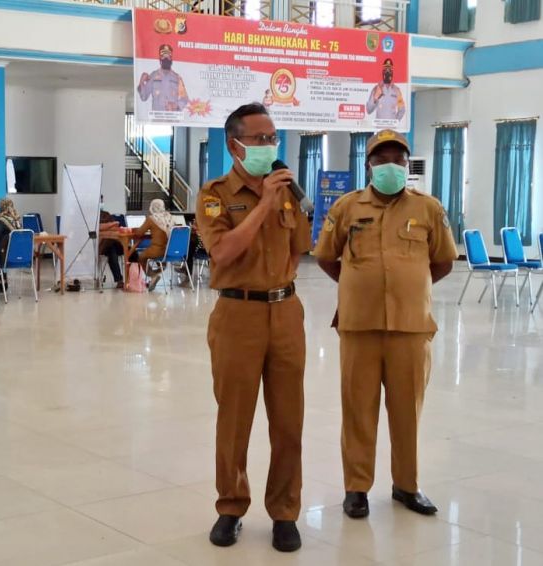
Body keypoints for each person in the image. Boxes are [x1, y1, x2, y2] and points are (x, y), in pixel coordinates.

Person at [314, 129, 457, 519]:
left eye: (398, 160)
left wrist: (411, 286)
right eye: (382, 159)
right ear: (368, 165)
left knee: (407, 410)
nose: (390, 166)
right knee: (357, 409)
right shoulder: (346, 207)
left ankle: (406, 485)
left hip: (411, 327)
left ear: (407, 166)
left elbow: (443, 260)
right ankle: (356, 488)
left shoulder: (428, 208)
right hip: (359, 326)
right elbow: (327, 257)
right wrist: (358, 284)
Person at [195, 103, 312, 553]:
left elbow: (300, 248)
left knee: (288, 422)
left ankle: (285, 512)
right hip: (237, 314)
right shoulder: (215, 193)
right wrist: (264, 203)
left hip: (284, 312)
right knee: (235, 418)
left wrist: (285, 202)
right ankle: (230, 506)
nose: (269, 146)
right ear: (234, 144)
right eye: (259, 138)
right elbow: (222, 252)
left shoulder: (287, 190)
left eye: (272, 137)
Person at [132, 199, 172, 292]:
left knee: (141, 257)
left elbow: (139, 233)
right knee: (158, 258)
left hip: (157, 250)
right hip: (169, 250)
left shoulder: (151, 219)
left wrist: (133, 229)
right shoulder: (169, 216)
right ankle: (159, 270)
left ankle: (153, 276)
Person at [138, 44, 190, 113]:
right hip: (157, 120)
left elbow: (185, 98)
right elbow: (143, 97)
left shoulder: (177, 78)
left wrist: (175, 105)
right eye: (163, 55)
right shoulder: (153, 76)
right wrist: (141, 82)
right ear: (160, 58)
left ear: (171, 58)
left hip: (173, 118)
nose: (166, 58)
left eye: (168, 55)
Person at [99, 205, 124, 289]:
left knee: (130, 249)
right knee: (112, 250)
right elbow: (98, 228)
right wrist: (111, 224)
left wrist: (107, 227)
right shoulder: (93, 217)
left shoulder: (106, 214)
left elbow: (116, 228)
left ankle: (136, 277)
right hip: (102, 245)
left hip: (114, 242)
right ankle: (119, 280)